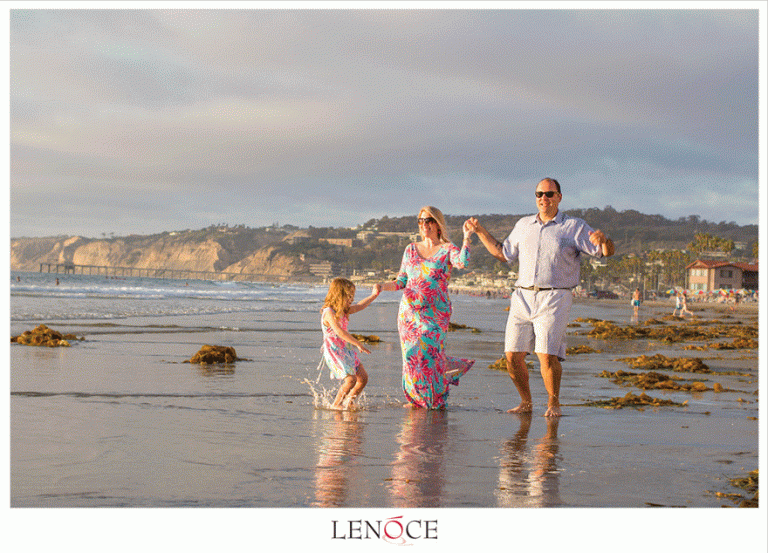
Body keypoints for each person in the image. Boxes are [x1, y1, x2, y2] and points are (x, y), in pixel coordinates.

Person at [468, 178, 614, 417]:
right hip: (522, 296)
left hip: (555, 296)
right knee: (512, 357)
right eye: (539, 194)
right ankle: (526, 402)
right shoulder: (524, 225)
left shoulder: (574, 226)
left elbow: (604, 253)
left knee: (546, 354)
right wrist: (480, 231)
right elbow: (503, 254)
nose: (543, 199)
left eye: (549, 194)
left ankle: (553, 403)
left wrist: (605, 241)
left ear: (559, 197)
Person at [377, 206, 475, 409]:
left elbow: (462, 262)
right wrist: (382, 287)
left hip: (436, 314)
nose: (424, 225)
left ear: (437, 224)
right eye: (420, 221)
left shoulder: (447, 249)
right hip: (409, 314)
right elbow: (401, 281)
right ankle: (415, 400)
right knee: (412, 357)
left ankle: (436, 399)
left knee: (431, 355)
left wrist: (467, 237)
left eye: (428, 220)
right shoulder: (411, 249)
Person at [320, 277, 381, 410]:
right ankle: (336, 404)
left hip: (346, 350)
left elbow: (361, 305)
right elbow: (339, 331)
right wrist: (358, 343)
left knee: (363, 378)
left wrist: (374, 295)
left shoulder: (343, 310)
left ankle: (350, 401)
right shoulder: (329, 313)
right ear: (339, 295)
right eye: (349, 296)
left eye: (352, 296)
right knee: (350, 380)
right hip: (335, 351)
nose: (352, 299)